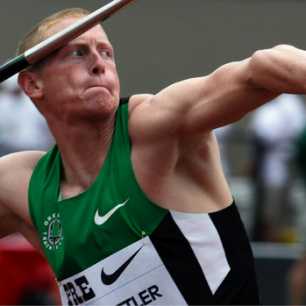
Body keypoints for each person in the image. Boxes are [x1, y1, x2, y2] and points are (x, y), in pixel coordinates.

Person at [2, 7, 306, 306]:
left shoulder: (156, 130)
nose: (99, 64)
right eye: (78, 53)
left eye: (106, 52)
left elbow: (260, 70)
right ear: (32, 84)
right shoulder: (22, 186)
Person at [248, 94, 306, 242]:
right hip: (264, 165)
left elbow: (292, 131)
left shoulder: (289, 102)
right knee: (262, 212)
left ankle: (275, 242)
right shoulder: (264, 100)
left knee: (277, 215)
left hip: (282, 166)